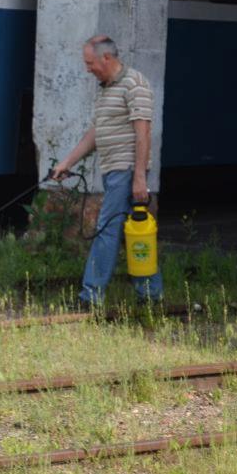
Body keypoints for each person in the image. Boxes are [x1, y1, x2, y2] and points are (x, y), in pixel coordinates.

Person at [51, 35, 163, 308]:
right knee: (132, 234)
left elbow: (143, 133)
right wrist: (67, 162)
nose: (87, 68)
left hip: (126, 171)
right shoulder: (106, 89)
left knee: (107, 231)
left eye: (90, 63)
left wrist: (139, 178)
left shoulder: (134, 85)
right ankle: (149, 296)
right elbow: (96, 134)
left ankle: (90, 297)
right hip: (115, 172)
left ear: (107, 58)